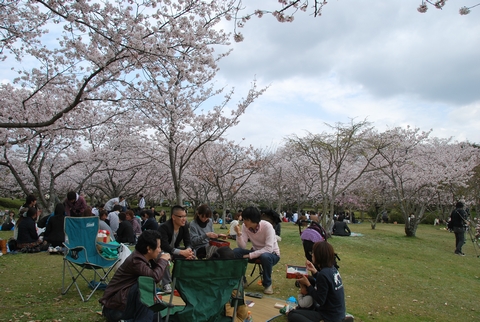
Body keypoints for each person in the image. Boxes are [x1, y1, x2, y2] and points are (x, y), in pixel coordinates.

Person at [99, 230, 171, 322]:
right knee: (144, 287)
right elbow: (154, 278)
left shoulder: (143, 257)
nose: (160, 250)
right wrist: (163, 260)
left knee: (156, 315)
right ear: (149, 249)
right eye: (158, 247)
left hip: (124, 305)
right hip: (114, 309)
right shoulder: (136, 261)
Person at [288, 242, 346, 322]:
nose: (312, 255)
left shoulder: (323, 274)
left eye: (313, 253)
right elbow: (325, 282)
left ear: (319, 256)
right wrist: (314, 271)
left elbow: (320, 300)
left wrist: (307, 284)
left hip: (329, 316)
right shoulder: (332, 269)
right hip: (338, 313)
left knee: (292, 315)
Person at [233, 206, 280, 295]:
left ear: (251, 219)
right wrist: (239, 234)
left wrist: (250, 255)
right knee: (236, 252)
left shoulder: (267, 226)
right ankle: (242, 280)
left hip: (272, 254)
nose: (243, 222)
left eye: (245, 219)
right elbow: (242, 247)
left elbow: (269, 249)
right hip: (257, 252)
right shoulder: (245, 226)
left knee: (265, 256)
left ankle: (267, 284)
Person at [158, 205, 195, 293]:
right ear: (173, 217)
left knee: (192, 255)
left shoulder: (184, 227)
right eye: (181, 216)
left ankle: (182, 280)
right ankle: (166, 283)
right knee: (164, 257)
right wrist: (182, 252)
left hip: (174, 251)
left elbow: (188, 241)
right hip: (161, 251)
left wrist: (188, 250)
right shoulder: (164, 227)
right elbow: (165, 246)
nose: (184, 219)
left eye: (185, 216)